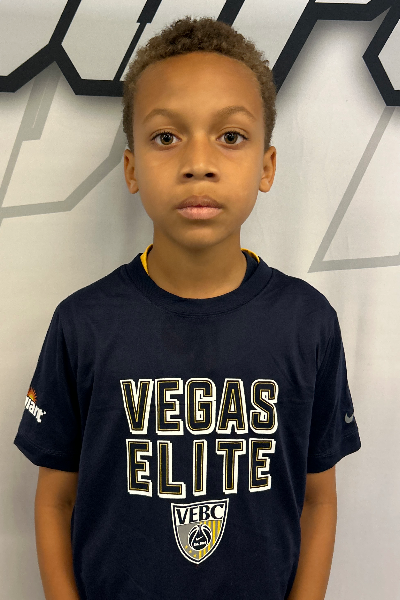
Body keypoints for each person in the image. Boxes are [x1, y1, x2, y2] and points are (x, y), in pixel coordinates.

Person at [13, 15, 361, 600]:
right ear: (131, 169)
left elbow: (319, 499)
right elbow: (55, 500)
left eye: (231, 136)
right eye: (167, 137)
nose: (198, 162)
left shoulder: (308, 323)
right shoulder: (83, 324)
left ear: (267, 166)